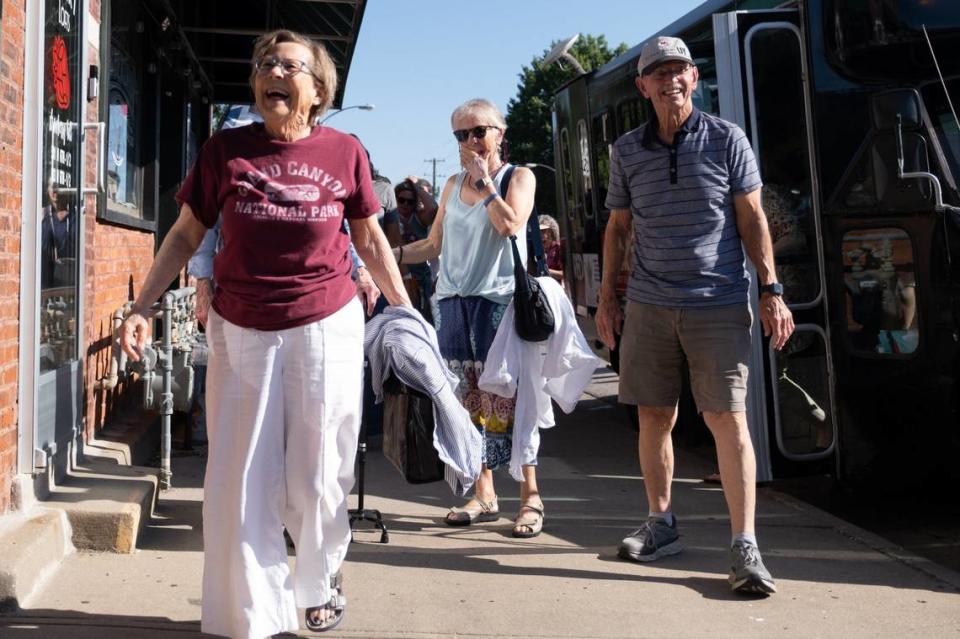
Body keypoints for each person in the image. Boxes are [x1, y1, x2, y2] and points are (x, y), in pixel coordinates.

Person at [118, 29, 410, 638]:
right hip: (241, 327)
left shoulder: (345, 151)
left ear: (318, 87)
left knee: (320, 467)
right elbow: (184, 234)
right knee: (240, 474)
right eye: (266, 64)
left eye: (291, 65)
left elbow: (370, 240)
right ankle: (251, 612)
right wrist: (143, 305)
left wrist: (407, 314)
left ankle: (320, 577)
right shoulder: (225, 151)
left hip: (326, 324)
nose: (275, 72)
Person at [595, 37, 794, 595]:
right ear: (643, 87)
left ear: (695, 76)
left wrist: (771, 289)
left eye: (679, 70)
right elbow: (618, 228)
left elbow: (752, 217)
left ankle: (744, 544)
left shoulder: (728, 139)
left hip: (719, 300)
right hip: (651, 304)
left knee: (727, 418)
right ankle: (661, 524)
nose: (670, 80)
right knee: (654, 416)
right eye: (658, 73)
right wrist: (610, 299)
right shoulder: (626, 150)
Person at [394, 98, 546, 538]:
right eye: (461, 134)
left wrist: (486, 186)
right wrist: (388, 255)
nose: (470, 141)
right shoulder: (451, 186)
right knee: (467, 402)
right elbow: (434, 244)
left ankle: (530, 496)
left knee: (510, 400)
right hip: (453, 303)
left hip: (498, 302)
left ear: (500, 133)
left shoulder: (518, 176)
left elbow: (510, 226)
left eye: (479, 131)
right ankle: (484, 492)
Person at [394, 177, 438, 322]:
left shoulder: (418, 218)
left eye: (410, 201)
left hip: (420, 280)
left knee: (424, 321)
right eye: (401, 200)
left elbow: (433, 208)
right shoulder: (389, 219)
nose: (405, 204)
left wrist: (415, 185)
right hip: (397, 278)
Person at [538, 214, 563, 283]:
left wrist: (545, 270)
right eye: (538, 232)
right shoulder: (541, 250)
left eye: (543, 231)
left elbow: (566, 274)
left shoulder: (558, 248)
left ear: (552, 232)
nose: (540, 235)